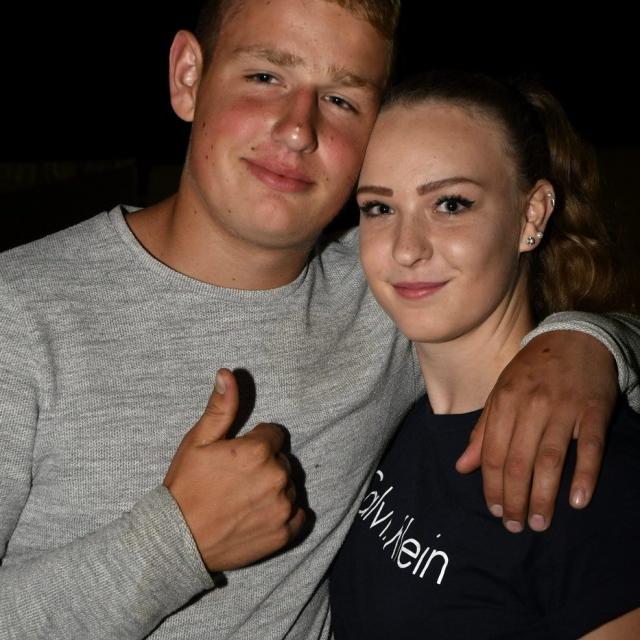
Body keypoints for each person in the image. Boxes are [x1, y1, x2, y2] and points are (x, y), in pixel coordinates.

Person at [0, 2, 639, 638]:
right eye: (265, 76)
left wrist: (588, 341)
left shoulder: (393, 292)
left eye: (340, 99)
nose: (297, 129)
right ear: (188, 76)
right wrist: (175, 542)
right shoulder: (18, 312)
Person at [329, 70, 640, 639]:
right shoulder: (385, 414)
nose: (406, 248)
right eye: (378, 208)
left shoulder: (591, 473)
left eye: (450, 204)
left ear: (531, 215)